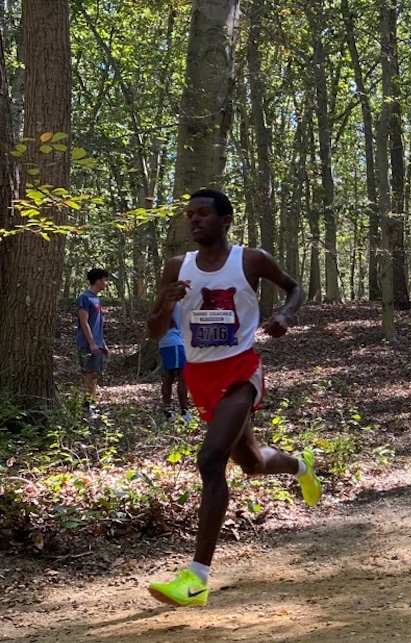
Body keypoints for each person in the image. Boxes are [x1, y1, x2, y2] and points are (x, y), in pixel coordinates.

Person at [145, 188, 320, 607]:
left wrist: (284, 315)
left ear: (225, 220)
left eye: (203, 213)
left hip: (241, 370)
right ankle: (301, 466)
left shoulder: (251, 260)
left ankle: (196, 579)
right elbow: (154, 331)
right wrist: (164, 306)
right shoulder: (177, 267)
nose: (194, 219)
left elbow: (295, 288)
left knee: (210, 459)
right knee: (252, 463)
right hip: (199, 375)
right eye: (190, 214)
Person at [76, 267, 110, 414]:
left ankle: (91, 403)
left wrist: (103, 344)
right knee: (91, 373)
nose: (106, 283)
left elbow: (97, 324)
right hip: (87, 343)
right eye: (104, 280)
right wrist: (91, 343)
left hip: (97, 343)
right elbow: (84, 322)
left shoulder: (96, 299)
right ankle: (88, 405)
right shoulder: (85, 297)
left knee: (95, 373)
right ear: (98, 281)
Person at [158, 305, 191, 422]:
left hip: (167, 341)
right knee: (182, 376)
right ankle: (184, 411)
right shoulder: (174, 301)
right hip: (174, 340)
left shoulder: (176, 301)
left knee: (170, 375)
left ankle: (168, 411)